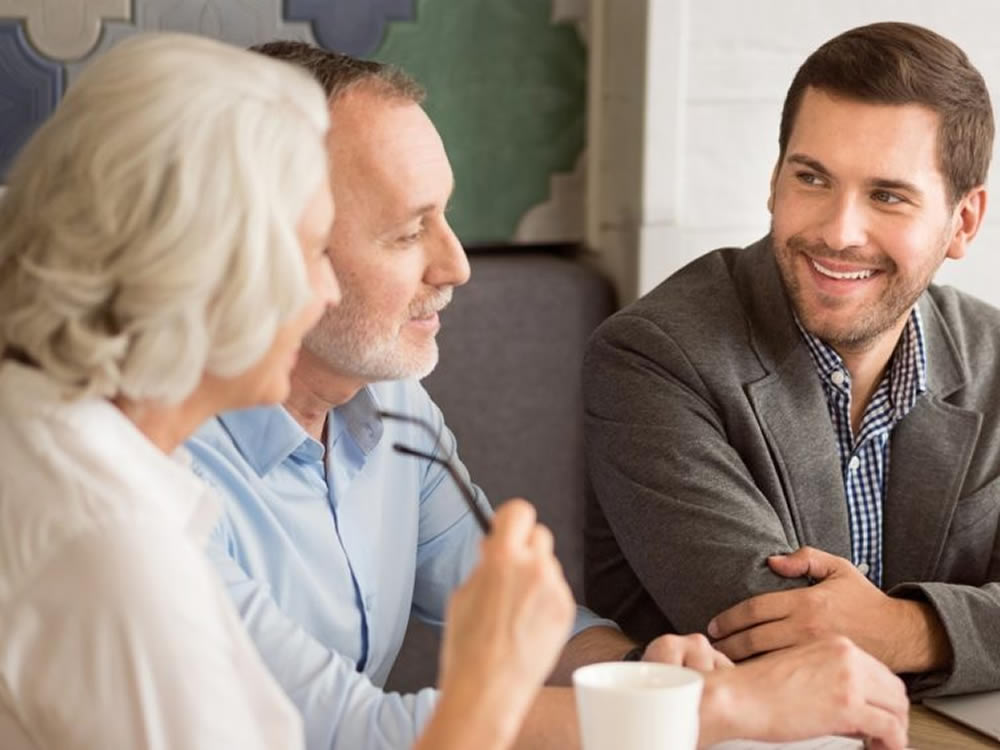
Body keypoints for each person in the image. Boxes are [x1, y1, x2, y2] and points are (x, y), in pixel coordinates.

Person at [189, 41, 910, 750]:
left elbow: (534, 628)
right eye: (410, 232)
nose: (458, 265)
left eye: (445, 215)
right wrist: (720, 708)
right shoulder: (163, 469)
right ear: (271, 247)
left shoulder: (394, 405)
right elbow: (348, 731)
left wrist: (640, 678)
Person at [0, 31, 576, 750]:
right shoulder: (112, 550)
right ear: (203, 271)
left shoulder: (106, 457)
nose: (324, 292)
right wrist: (484, 692)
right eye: (308, 253)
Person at [583, 20, 1000, 698]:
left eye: (888, 195)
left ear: (964, 222)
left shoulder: (994, 358)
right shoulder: (653, 357)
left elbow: (862, 640)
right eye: (812, 178)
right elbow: (770, 635)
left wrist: (905, 628)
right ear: (774, 183)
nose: (839, 231)